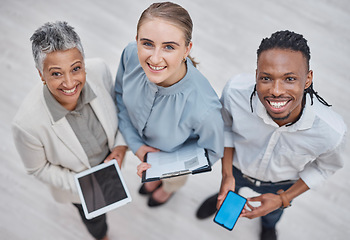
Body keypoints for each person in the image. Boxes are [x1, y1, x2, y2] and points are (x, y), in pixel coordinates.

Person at [196, 30, 347, 240]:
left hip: (282, 184)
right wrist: (226, 174)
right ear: (256, 74)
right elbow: (226, 128)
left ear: (308, 79)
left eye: (290, 79)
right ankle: (221, 196)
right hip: (237, 168)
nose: (276, 91)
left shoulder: (331, 131)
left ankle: (268, 226)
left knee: (274, 214)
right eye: (266, 78)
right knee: (229, 192)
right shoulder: (235, 93)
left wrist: (283, 199)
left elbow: (324, 168)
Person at [12, 21, 127, 240]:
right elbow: (37, 169)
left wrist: (121, 146)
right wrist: (87, 185)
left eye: (76, 68)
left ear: (84, 63)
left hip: (112, 166)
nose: (69, 82)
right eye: (56, 73)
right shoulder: (26, 125)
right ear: (41, 74)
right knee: (94, 219)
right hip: (79, 188)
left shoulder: (99, 69)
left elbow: (118, 107)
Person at [115, 2, 224, 207]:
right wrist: (137, 147)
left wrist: (160, 168)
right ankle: (155, 182)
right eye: (147, 43)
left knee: (172, 182)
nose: (155, 58)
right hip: (141, 149)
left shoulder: (205, 108)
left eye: (169, 47)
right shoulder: (130, 54)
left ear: (186, 49)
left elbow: (211, 152)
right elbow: (119, 97)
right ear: (136, 40)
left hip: (174, 164)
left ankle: (168, 189)